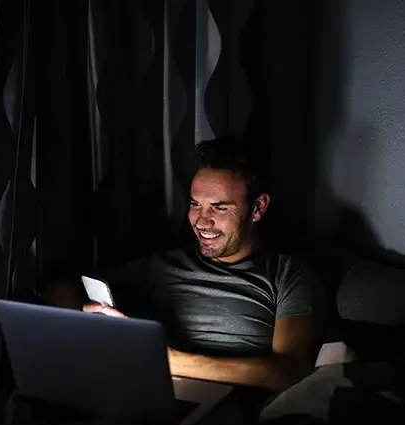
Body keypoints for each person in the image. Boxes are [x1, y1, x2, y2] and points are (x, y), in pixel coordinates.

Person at [44, 136, 325, 392]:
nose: (201, 222)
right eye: (195, 204)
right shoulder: (162, 265)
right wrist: (85, 319)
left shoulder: (288, 277)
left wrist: (162, 358)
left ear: (258, 208)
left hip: (228, 412)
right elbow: (60, 286)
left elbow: (289, 372)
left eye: (219, 207)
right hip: (148, 393)